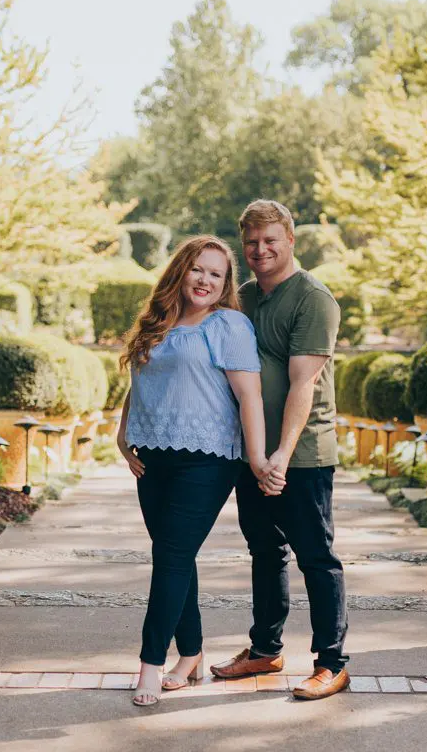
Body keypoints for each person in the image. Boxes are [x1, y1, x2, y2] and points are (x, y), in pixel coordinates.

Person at [116, 235, 279, 707]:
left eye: (216, 274)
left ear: (225, 284)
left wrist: (256, 457)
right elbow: (141, 382)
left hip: (207, 458)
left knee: (168, 557)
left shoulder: (227, 324)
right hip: (152, 457)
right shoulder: (157, 323)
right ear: (181, 271)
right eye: (198, 270)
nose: (205, 280)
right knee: (175, 556)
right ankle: (191, 654)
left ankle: (150, 664)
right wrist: (122, 435)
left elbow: (248, 395)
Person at [209, 199, 349, 700]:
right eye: (251, 242)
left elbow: (302, 383)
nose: (260, 249)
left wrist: (282, 457)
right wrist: (255, 454)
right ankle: (265, 650)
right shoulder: (243, 297)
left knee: (317, 557)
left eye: (271, 240)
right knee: (265, 551)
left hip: (301, 455)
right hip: (252, 453)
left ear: (291, 240)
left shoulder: (313, 299)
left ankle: (331, 662)